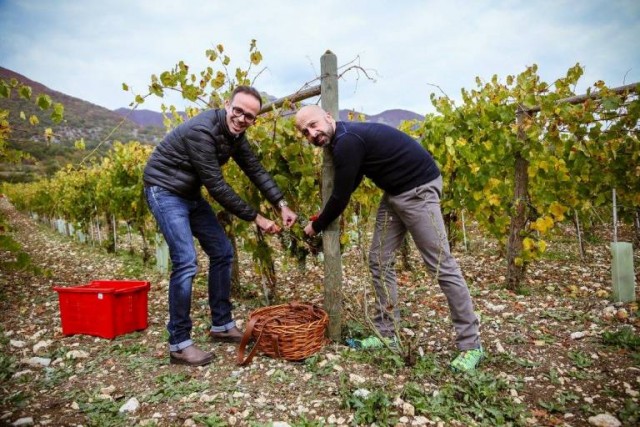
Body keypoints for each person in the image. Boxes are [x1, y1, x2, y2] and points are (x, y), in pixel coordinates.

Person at [294, 105, 483, 372]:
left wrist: (318, 224)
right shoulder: (344, 138)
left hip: (418, 191)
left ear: (327, 117)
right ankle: (387, 333)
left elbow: (341, 194)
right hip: (394, 194)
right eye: (305, 132)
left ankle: (471, 345)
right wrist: (323, 217)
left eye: (313, 125)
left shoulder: (346, 141)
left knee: (442, 266)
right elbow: (355, 176)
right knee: (379, 260)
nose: (312, 133)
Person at [144, 86, 297, 366]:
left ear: (253, 120)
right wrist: (257, 218)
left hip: (189, 193)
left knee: (222, 251)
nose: (241, 118)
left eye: (248, 116)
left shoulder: (236, 136)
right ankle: (179, 343)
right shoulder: (202, 131)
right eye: (237, 110)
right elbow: (216, 186)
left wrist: (282, 204)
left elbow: (256, 170)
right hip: (164, 190)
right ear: (227, 105)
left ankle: (221, 324)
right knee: (187, 262)